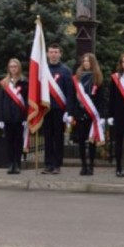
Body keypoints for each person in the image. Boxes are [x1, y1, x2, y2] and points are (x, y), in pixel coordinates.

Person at [70, 53, 105, 176]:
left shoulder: (97, 78)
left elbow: (101, 99)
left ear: (92, 63)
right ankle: (83, 165)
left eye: (88, 61)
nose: (86, 63)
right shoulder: (76, 78)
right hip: (80, 113)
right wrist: (72, 112)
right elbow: (72, 97)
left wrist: (101, 115)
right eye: (84, 61)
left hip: (92, 114)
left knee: (91, 142)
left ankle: (91, 166)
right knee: (80, 140)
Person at [41, 44, 74, 175]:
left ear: (60, 54)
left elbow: (70, 93)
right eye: (51, 52)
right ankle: (48, 164)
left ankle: (57, 164)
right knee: (47, 138)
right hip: (46, 109)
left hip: (60, 109)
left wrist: (69, 111)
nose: (53, 54)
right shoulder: (43, 70)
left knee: (58, 137)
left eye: (56, 52)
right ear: (48, 54)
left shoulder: (66, 71)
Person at [0, 58, 28, 174]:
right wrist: (0, 118)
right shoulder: (5, 83)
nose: (13, 68)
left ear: (19, 68)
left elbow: (26, 101)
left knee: (18, 142)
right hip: (7, 117)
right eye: (11, 66)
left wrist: (25, 117)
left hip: (19, 117)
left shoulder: (24, 82)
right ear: (8, 68)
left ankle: (17, 164)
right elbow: (1, 101)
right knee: (9, 142)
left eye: (15, 66)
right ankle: (10, 164)